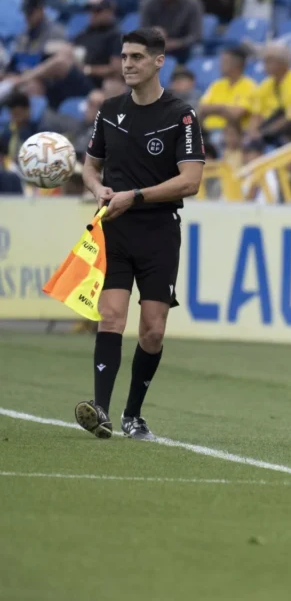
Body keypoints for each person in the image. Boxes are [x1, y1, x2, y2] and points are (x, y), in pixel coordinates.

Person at [75, 27, 206, 442]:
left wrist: (135, 195)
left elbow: (191, 181)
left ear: (158, 61)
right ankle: (100, 409)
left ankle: (133, 415)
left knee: (153, 329)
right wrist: (99, 190)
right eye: (124, 56)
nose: (127, 64)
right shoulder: (109, 110)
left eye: (136, 57)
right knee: (111, 315)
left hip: (158, 232)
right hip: (114, 227)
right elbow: (91, 167)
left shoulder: (180, 115)